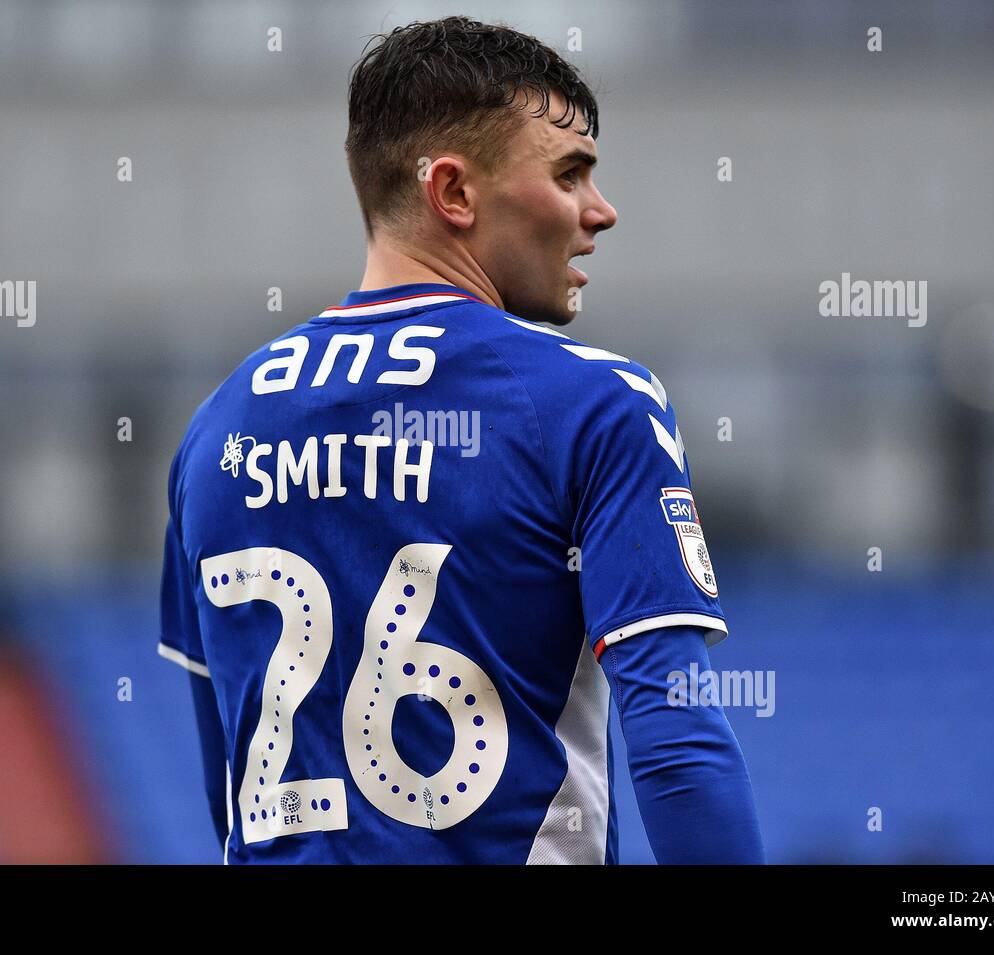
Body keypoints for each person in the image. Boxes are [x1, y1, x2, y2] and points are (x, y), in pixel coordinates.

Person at [159, 15, 765, 864]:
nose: (602, 211)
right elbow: (677, 741)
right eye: (571, 173)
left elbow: (225, 783)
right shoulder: (593, 402)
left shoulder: (216, 429)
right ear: (453, 193)